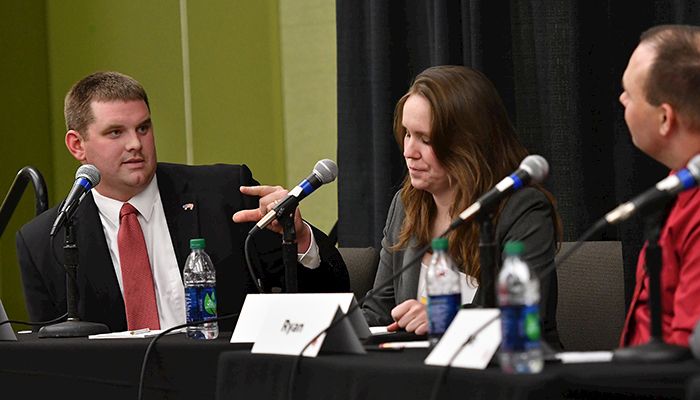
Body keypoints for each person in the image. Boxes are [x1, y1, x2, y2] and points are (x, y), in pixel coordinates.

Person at [16, 71, 349, 332]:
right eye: (116, 132)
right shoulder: (45, 241)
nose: (136, 143)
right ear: (77, 145)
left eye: (143, 128)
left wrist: (300, 238)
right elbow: (51, 360)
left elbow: (331, 296)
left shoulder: (224, 194)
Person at [361, 65, 561, 347]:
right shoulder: (407, 204)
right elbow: (379, 311)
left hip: (510, 373)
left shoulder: (523, 209)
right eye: (407, 134)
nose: (408, 151)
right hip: (422, 373)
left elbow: (525, 314)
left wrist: (446, 318)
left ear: (467, 143)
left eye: (425, 139)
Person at [618, 25, 700, 348]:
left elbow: (687, 353)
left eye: (630, 93)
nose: (622, 99)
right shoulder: (678, 182)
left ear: (665, 118)